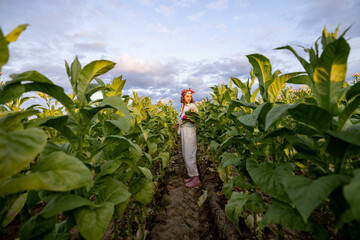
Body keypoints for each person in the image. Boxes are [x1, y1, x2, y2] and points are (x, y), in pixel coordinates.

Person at [178, 88, 200, 188]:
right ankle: (191, 176)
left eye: (190, 96)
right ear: (183, 97)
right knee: (185, 154)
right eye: (187, 96)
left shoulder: (192, 106)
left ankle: (196, 179)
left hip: (189, 132)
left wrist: (188, 118)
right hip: (183, 132)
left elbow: (196, 117)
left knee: (190, 155)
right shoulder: (182, 107)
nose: (189, 98)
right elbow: (181, 118)